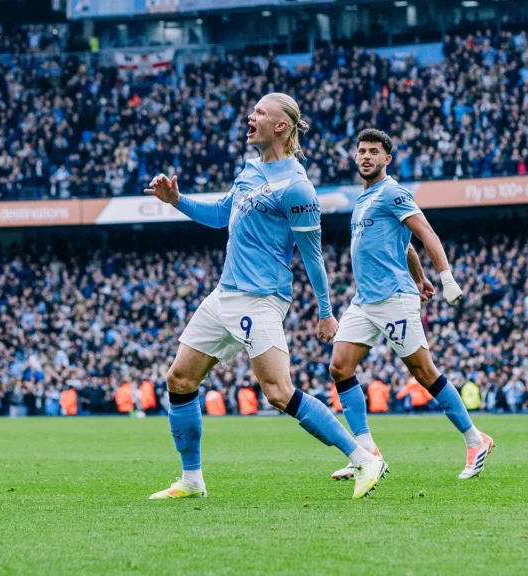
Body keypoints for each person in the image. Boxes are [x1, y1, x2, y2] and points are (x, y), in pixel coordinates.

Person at [142, 93, 387, 500]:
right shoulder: (250, 169)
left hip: (260, 299)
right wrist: (177, 201)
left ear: (281, 126)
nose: (249, 116)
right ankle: (191, 479)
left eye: (259, 112)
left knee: (277, 391)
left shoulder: (298, 188)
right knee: (180, 378)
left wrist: (327, 313)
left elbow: (313, 256)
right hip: (224, 294)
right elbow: (222, 215)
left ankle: (363, 458)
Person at [327, 129, 494, 482]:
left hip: (393, 299)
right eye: (361, 151)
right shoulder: (363, 199)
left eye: (374, 151)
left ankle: (474, 439)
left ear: (387, 159)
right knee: (340, 367)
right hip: (364, 301)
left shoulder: (393, 192)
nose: (366, 156)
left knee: (423, 372)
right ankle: (367, 453)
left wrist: (446, 278)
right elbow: (404, 246)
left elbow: (425, 232)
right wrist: (420, 278)